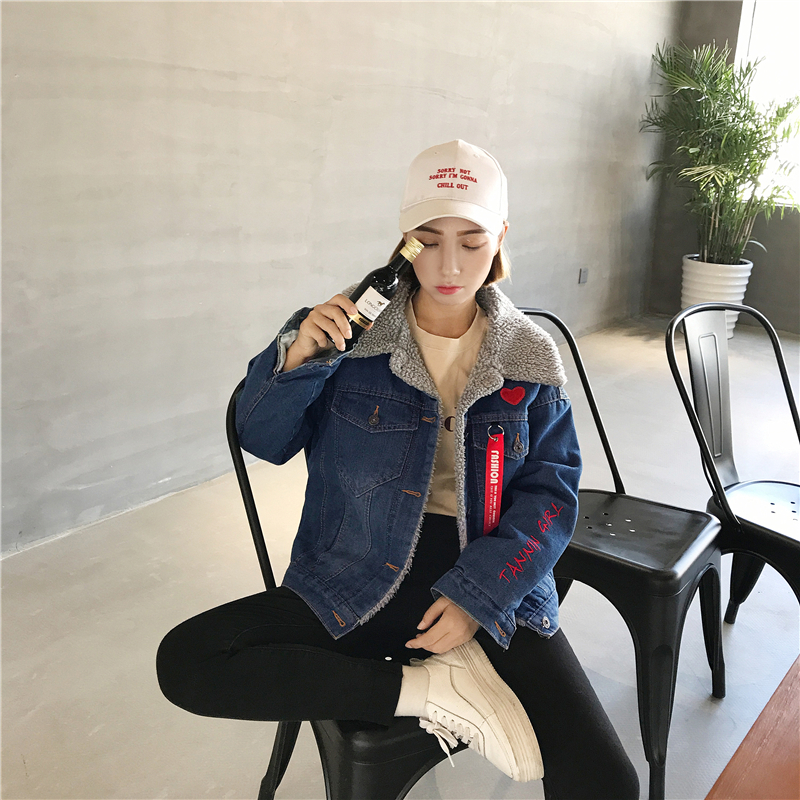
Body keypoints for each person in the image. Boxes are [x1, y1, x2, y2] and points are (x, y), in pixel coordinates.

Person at [157, 140, 639, 798]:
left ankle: (445, 672)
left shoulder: (528, 353)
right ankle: (429, 690)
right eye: (428, 240)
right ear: (405, 241)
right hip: (354, 567)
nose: (449, 264)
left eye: (472, 241)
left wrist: (477, 598)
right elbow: (262, 439)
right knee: (188, 662)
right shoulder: (347, 334)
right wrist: (299, 357)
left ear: (500, 237)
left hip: (487, 571)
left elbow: (550, 496)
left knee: (607, 781)